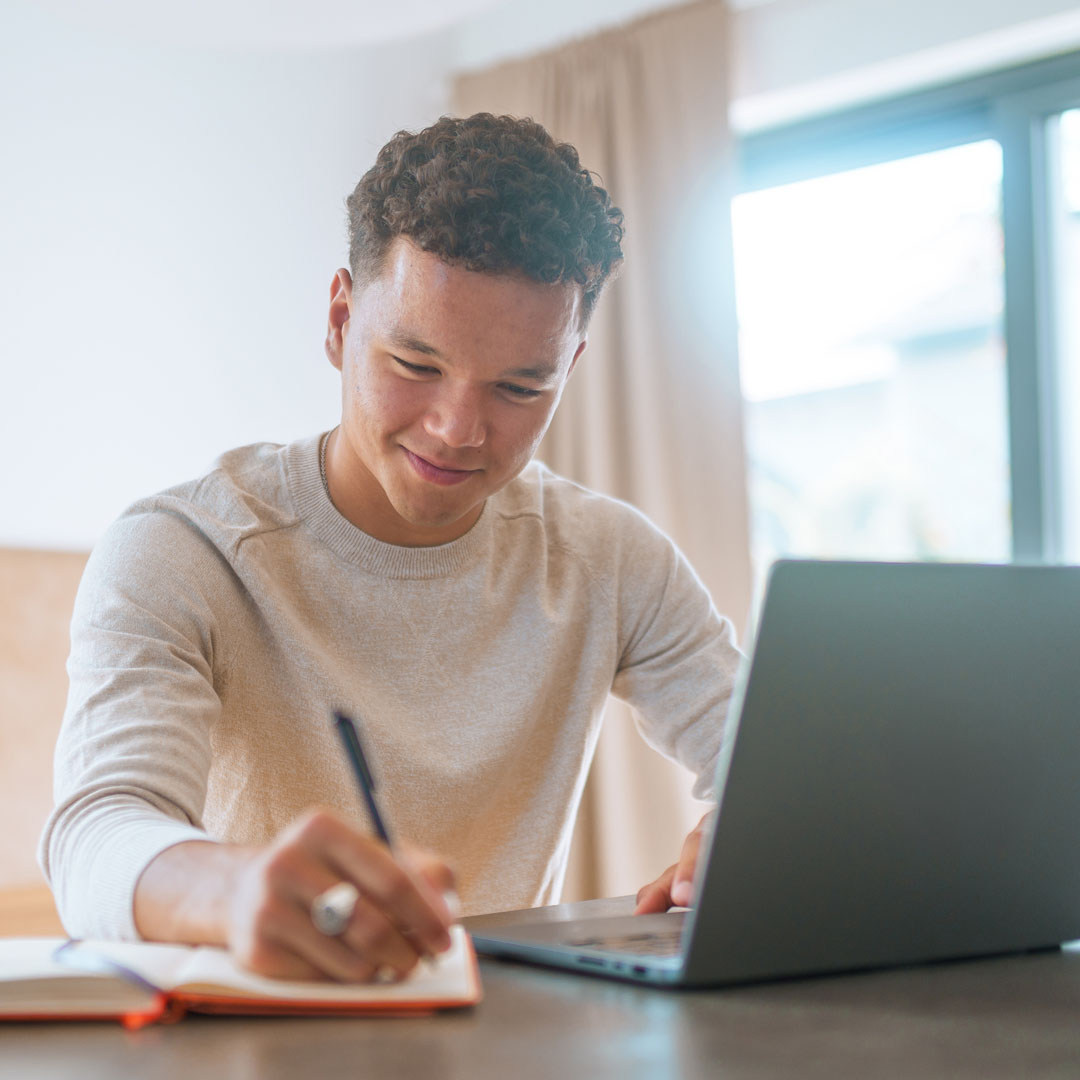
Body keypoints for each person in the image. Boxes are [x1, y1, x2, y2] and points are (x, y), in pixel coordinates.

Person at [40, 113, 741, 983]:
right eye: (414, 363)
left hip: (500, 1034)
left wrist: (757, 830)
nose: (456, 429)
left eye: (521, 386)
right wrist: (232, 890)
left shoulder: (613, 557)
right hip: (254, 1034)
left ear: (571, 365)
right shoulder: (183, 550)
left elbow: (767, 754)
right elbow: (98, 828)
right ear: (339, 319)